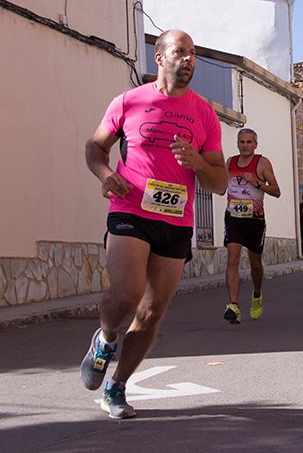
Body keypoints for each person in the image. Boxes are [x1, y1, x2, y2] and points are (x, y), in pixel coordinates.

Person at [82, 29, 227, 419]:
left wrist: (197, 163)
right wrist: (105, 174)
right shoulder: (130, 101)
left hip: (175, 220)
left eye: (193, 53)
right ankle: (106, 338)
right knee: (126, 294)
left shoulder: (204, 113)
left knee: (151, 313)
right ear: (160, 58)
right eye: (181, 52)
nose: (189, 59)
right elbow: (95, 146)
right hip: (129, 208)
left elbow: (220, 181)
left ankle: (116, 387)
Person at [223, 128, 281, 324]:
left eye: (249, 142)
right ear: (237, 143)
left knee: (255, 264)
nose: (245, 145)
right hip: (233, 217)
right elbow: (222, 186)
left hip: (254, 219)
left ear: (256, 144)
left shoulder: (262, 163)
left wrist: (256, 183)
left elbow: (276, 191)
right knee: (232, 259)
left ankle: (257, 295)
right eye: (242, 142)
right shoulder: (230, 162)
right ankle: (234, 305)